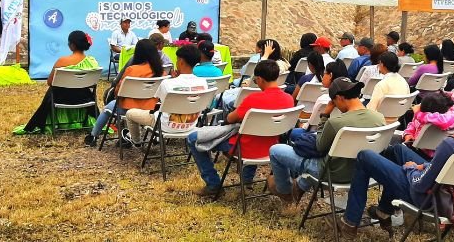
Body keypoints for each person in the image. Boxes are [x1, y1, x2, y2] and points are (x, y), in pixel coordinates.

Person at [338, 85, 454, 236]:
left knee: (365, 156)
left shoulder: (451, 145)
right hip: (453, 192)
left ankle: (350, 222)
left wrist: (410, 169)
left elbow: (421, 185)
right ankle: (384, 210)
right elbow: (444, 168)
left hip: (430, 198)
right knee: (398, 150)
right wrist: (423, 165)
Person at [267, 77, 386, 204]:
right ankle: (298, 187)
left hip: (331, 173)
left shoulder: (336, 123)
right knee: (326, 156)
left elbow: (319, 146)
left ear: (339, 98)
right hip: (363, 174)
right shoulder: (379, 119)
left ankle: (285, 192)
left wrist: (325, 116)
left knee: (275, 150)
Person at [188, 60, 294, 197]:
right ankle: (247, 180)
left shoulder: (253, 99)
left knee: (193, 139)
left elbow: (230, 119)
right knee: (256, 131)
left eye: (255, 80)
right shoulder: (288, 99)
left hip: (245, 149)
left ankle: (213, 184)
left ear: (260, 79)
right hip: (273, 148)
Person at [122, 44, 208, 146]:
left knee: (130, 114)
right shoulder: (203, 83)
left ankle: (136, 141)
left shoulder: (168, 83)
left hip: (165, 125)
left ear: (181, 61)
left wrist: (174, 79)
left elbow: (158, 102)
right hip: (190, 125)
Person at [18, 31, 100, 134]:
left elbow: (50, 82)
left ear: (72, 45)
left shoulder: (62, 61)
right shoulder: (92, 62)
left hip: (61, 98)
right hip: (85, 98)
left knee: (52, 90)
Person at [86, 39, 163, 147]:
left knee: (108, 107)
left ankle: (93, 136)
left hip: (128, 109)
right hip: (149, 109)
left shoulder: (132, 70)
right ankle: (128, 136)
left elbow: (118, 92)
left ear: (138, 53)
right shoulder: (161, 71)